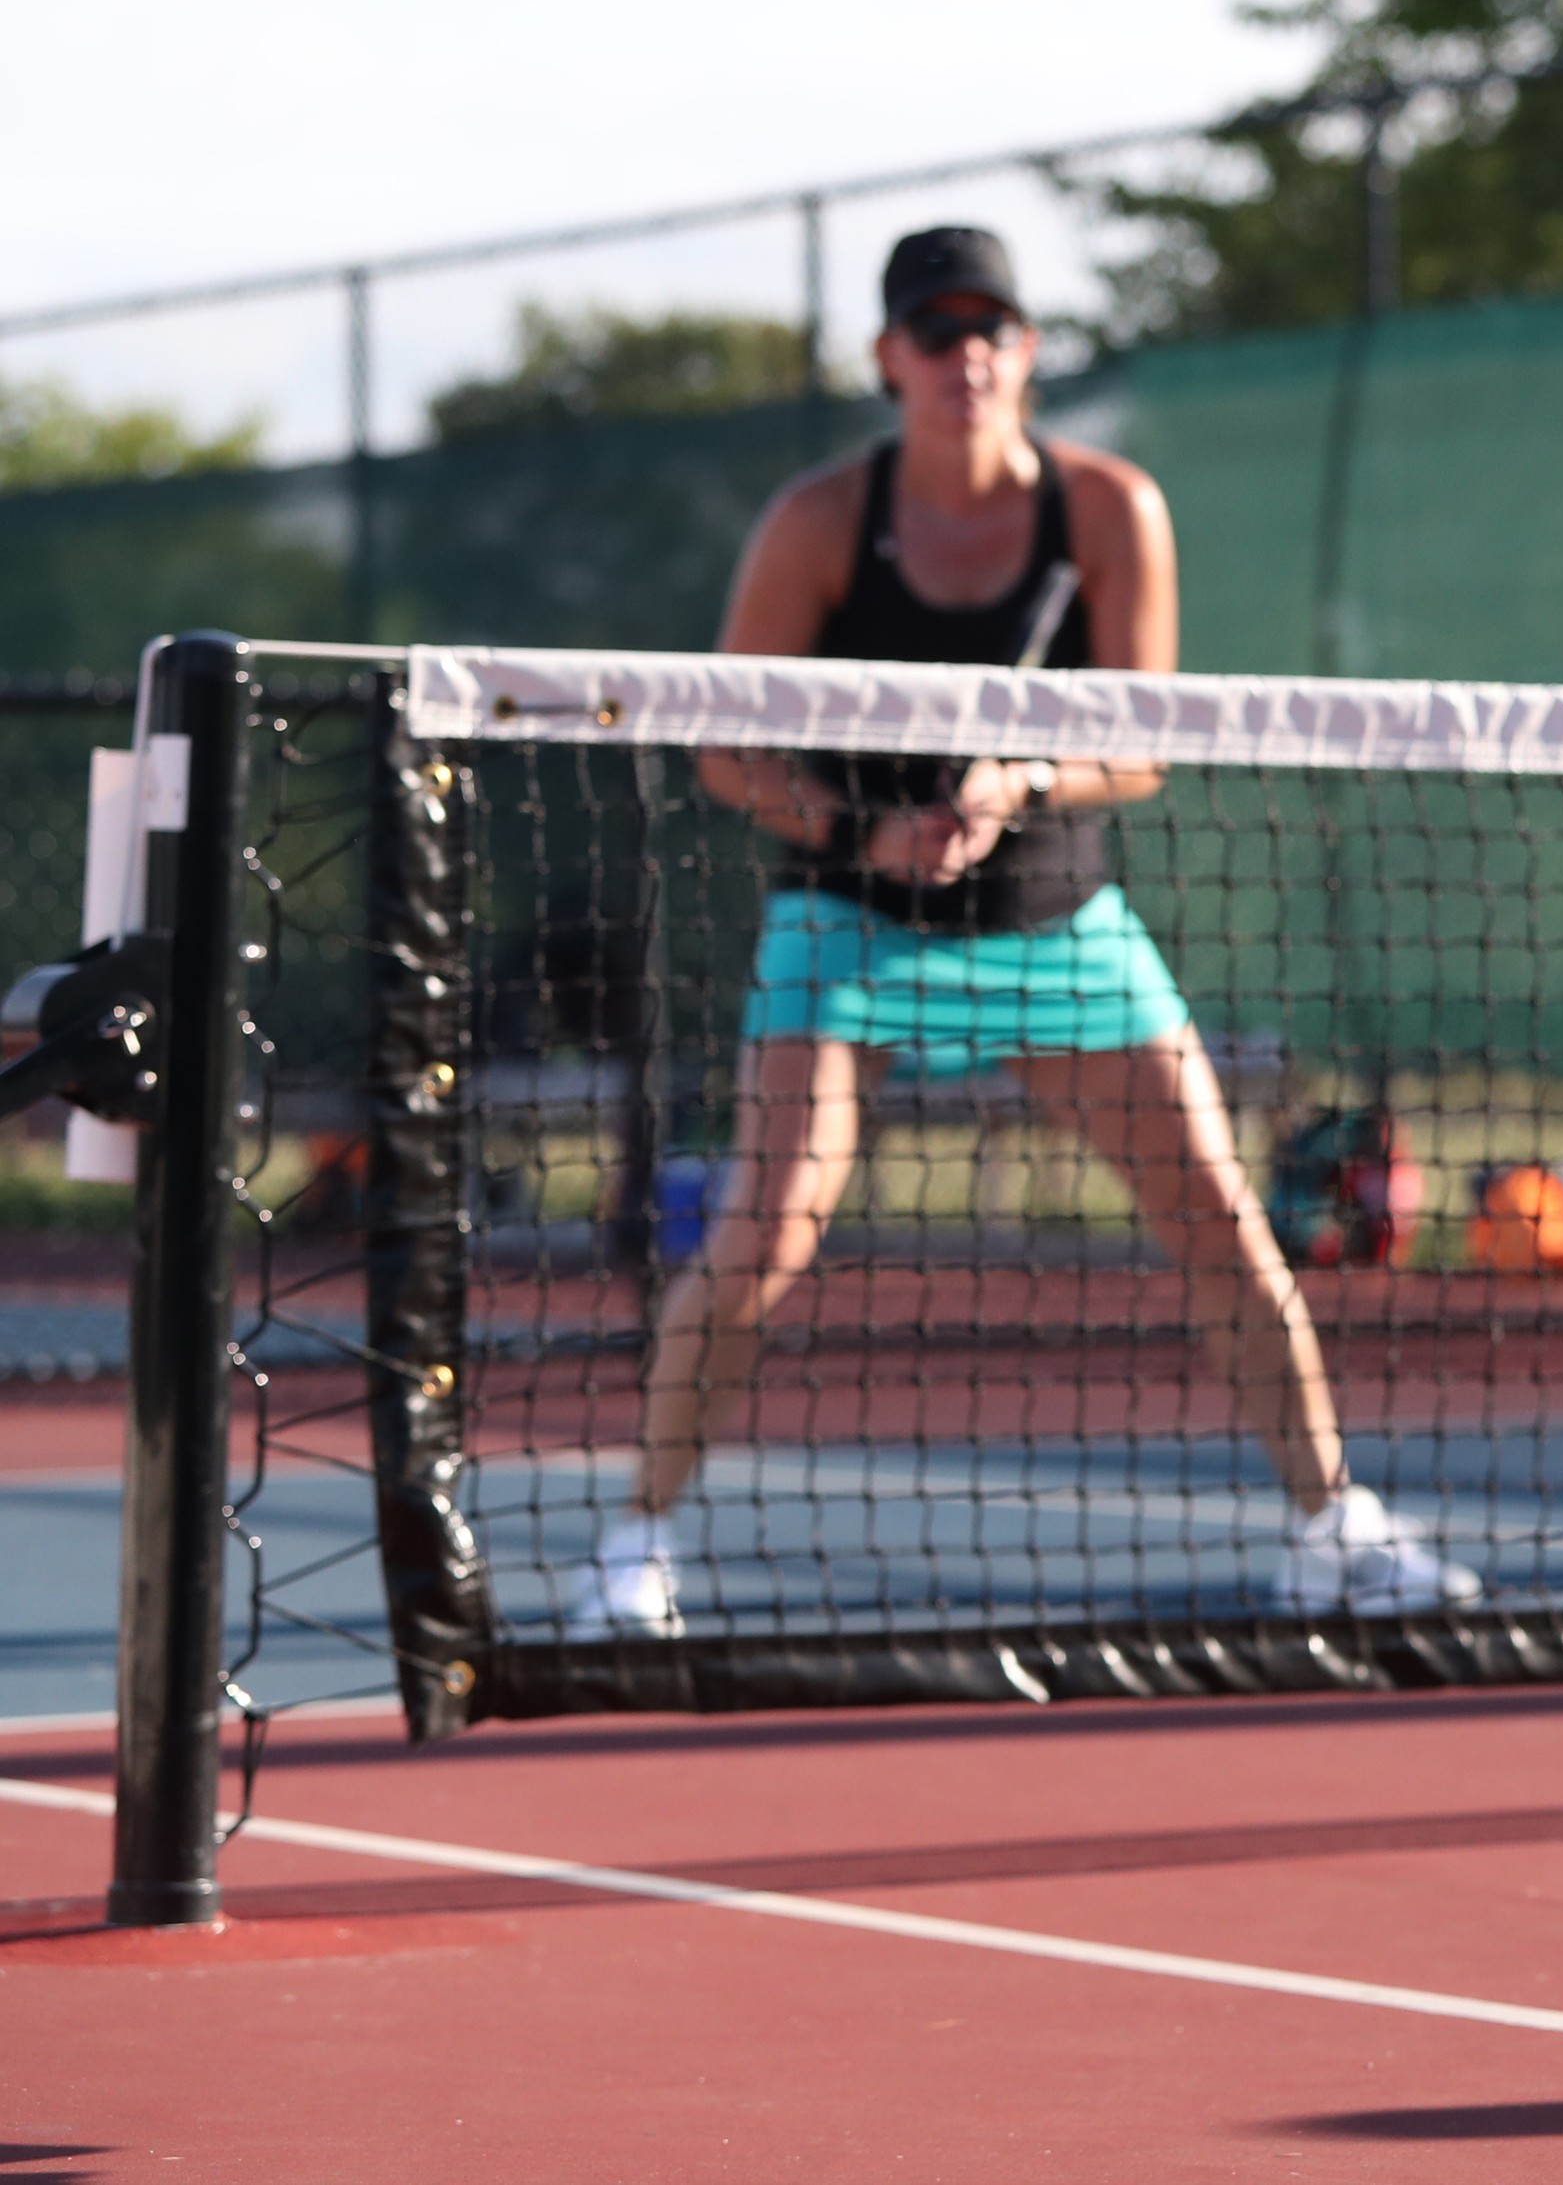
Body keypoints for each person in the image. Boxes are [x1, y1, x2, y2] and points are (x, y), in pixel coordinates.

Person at [567, 226, 1476, 1636]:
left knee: (1228, 1229)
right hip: (849, 922)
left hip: (1059, 919)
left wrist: (1025, 778)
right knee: (765, 1231)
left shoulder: (1110, 508)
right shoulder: (820, 523)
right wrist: (850, 831)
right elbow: (719, 749)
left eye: (992, 326)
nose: (967, 354)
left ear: (1029, 351)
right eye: (936, 332)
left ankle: (1328, 1525)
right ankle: (635, 1548)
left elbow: (1146, 745)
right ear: (890, 360)